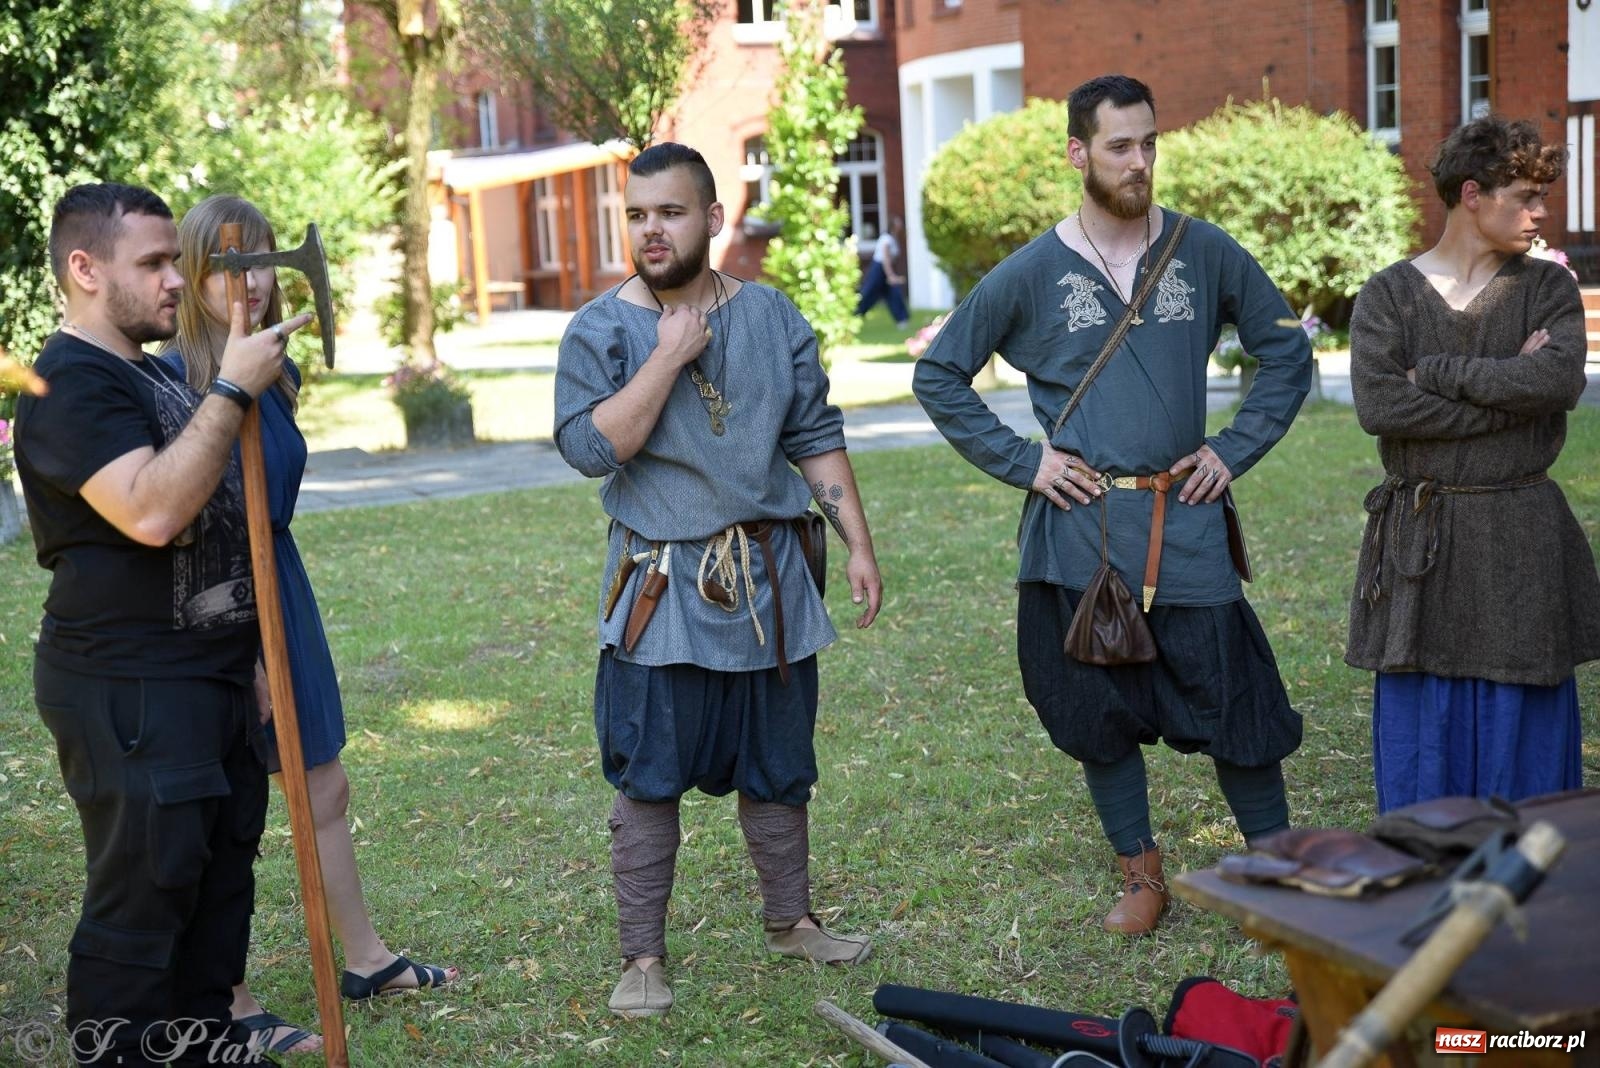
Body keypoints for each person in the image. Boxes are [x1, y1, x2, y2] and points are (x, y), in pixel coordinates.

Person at [913, 75, 1312, 937]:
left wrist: (1231, 449)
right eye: (1120, 146)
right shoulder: (1030, 271)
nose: (1139, 162)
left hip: (1187, 523)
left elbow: (1288, 356)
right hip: (1081, 534)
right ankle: (1142, 874)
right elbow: (938, 373)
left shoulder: (1203, 252)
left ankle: (1280, 876)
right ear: (1078, 153)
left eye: (1148, 143)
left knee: (1234, 698)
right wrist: (1025, 464)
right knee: (1096, 710)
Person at [554, 142, 884, 1017]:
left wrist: (856, 541)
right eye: (635, 214)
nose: (650, 230)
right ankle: (643, 961)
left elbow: (814, 432)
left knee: (780, 763)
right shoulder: (601, 329)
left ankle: (792, 921)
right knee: (649, 772)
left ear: (711, 219)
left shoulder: (773, 318)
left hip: (771, 580)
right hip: (661, 587)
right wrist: (665, 358)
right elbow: (591, 449)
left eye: (668, 212)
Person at [14, 182, 309, 1065]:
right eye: (151, 265)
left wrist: (247, 658)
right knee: (143, 903)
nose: (176, 281)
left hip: (208, 678)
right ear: (84, 270)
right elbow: (151, 513)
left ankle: (204, 1043)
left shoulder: (140, 370)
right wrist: (229, 388)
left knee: (218, 894)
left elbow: (221, 530)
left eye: (172, 263)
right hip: (129, 689)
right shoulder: (67, 384)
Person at [160, 195, 460, 1055]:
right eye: (228, 265)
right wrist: (243, 647)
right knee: (229, 807)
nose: (250, 282)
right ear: (192, 274)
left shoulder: (275, 366)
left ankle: (362, 958)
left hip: (281, 584)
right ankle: (226, 996)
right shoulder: (178, 378)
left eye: (260, 260)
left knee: (323, 786)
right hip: (220, 596)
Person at [1346, 116, 1600, 812]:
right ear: (1471, 195)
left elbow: (1555, 384)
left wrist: (1437, 371)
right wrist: (1503, 387)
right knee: (1424, 717)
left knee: (1525, 721)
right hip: (1421, 544)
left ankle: (1530, 889)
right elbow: (1382, 408)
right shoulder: (1389, 296)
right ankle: (1430, 870)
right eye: (1524, 196)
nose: (1541, 212)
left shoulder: (1545, 289)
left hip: (1519, 537)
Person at [855, 216, 910, 329]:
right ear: (893, 225)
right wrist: (890, 275)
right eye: (897, 223)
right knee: (868, 293)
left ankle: (902, 319)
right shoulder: (886, 239)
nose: (900, 225)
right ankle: (854, 316)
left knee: (893, 293)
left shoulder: (894, 238)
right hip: (879, 269)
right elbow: (885, 258)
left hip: (885, 269)